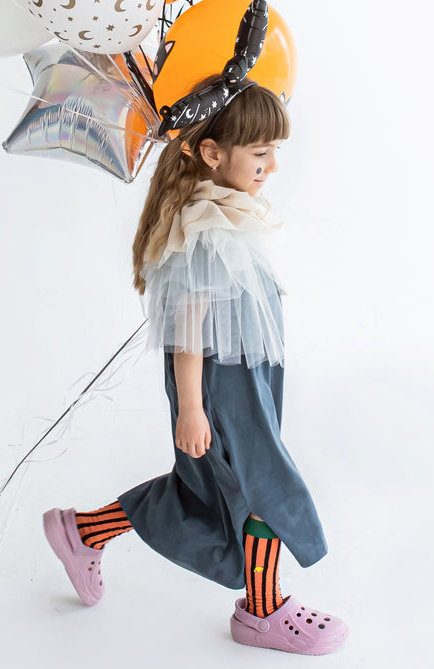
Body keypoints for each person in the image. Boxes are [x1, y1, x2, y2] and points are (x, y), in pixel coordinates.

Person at [43, 79, 348, 655]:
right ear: (213, 153)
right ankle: (262, 612)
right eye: (261, 153)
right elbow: (188, 327)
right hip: (219, 388)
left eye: (273, 151)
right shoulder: (204, 227)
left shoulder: (227, 213)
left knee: (207, 491)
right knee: (263, 487)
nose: (273, 165)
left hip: (248, 380)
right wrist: (190, 407)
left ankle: (82, 532)